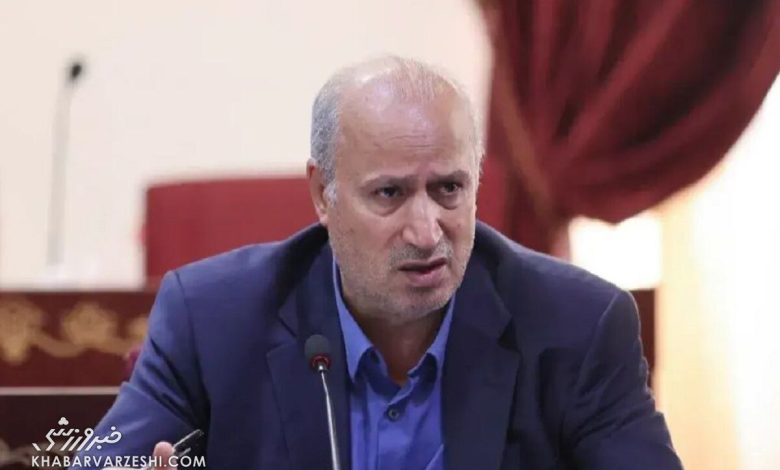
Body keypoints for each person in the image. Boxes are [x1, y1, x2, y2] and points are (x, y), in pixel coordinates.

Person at [88, 56, 681, 470]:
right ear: (323, 194)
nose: (426, 232)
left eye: (449, 189)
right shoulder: (211, 320)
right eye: (389, 194)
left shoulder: (580, 326)